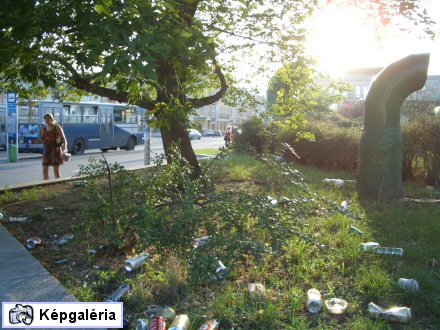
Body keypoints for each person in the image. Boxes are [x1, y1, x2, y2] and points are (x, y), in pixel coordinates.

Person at [38, 113, 68, 180]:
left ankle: (58, 184)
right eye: (45, 119)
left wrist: (65, 149)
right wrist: (40, 135)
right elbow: (42, 141)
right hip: (47, 150)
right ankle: (46, 185)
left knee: (56, 170)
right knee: (45, 169)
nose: (47, 120)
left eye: (48, 118)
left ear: (52, 119)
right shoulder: (43, 129)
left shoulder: (57, 127)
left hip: (55, 150)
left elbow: (63, 139)